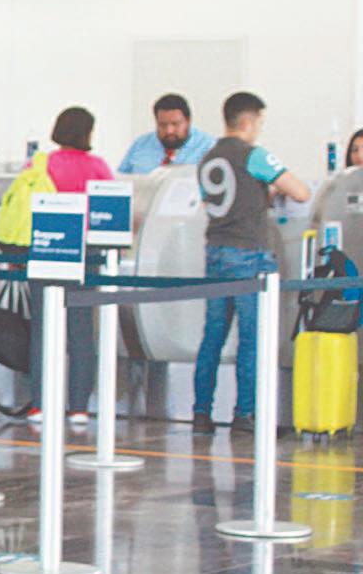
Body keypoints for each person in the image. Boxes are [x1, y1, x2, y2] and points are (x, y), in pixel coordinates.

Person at [193, 91, 310, 434]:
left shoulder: (207, 158)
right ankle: (246, 413)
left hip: (215, 251)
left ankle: (201, 413)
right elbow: (300, 191)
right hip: (248, 253)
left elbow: (217, 201)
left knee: (213, 336)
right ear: (249, 120)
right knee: (252, 337)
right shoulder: (255, 155)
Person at [22, 108, 115, 426]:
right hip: (85, 252)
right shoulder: (97, 167)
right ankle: (78, 407)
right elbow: (110, 211)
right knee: (81, 330)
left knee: (42, 328)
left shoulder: (40, 164)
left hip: (46, 247)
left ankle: (40, 403)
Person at [117, 94, 215, 175]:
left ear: (188, 121)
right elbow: (120, 181)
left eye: (175, 124)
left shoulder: (208, 147)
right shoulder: (140, 145)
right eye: (162, 125)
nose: (169, 131)